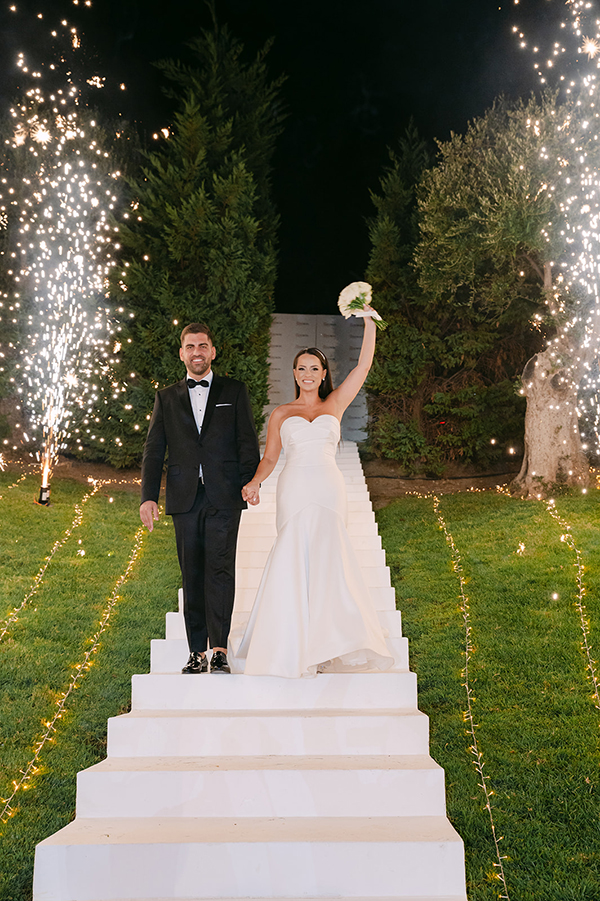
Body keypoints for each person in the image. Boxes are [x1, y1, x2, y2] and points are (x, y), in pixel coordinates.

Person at [229, 310, 394, 678]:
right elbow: (271, 456)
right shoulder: (281, 413)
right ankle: (292, 642)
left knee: (328, 558)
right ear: (294, 373)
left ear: (323, 374)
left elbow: (363, 368)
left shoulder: (334, 403)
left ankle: (326, 644)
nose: (307, 374)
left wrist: (369, 323)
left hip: (328, 488)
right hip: (294, 489)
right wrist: (255, 482)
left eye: (314, 369)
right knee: (292, 555)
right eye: (301, 368)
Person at [140, 323, 260, 675]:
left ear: (213, 351)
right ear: (181, 353)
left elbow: (247, 442)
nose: (197, 352)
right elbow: (153, 450)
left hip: (224, 495)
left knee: (220, 571)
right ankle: (196, 652)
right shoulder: (166, 398)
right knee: (191, 572)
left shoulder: (234, 391)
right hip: (184, 496)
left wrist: (249, 481)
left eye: (203, 346)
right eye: (190, 346)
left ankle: (220, 649)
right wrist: (149, 496)